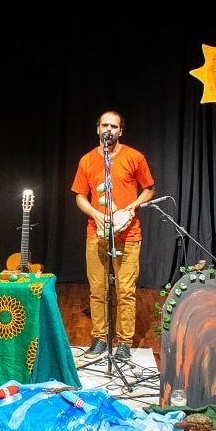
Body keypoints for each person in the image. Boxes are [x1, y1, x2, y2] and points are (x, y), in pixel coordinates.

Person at [71, 110, 155, 361]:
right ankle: (99, 338)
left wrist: (130, 208)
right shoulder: (87, 160)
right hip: (96, 233)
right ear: (98, 129)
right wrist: (95, 213)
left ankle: (124, 342)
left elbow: (149, 189)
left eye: (114, 126)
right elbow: (80, 196)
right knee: (98, 289)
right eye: (105, 125)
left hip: (128, 234)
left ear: (121, 131)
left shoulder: (134, 157)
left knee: (125, 290)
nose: (109, 129)